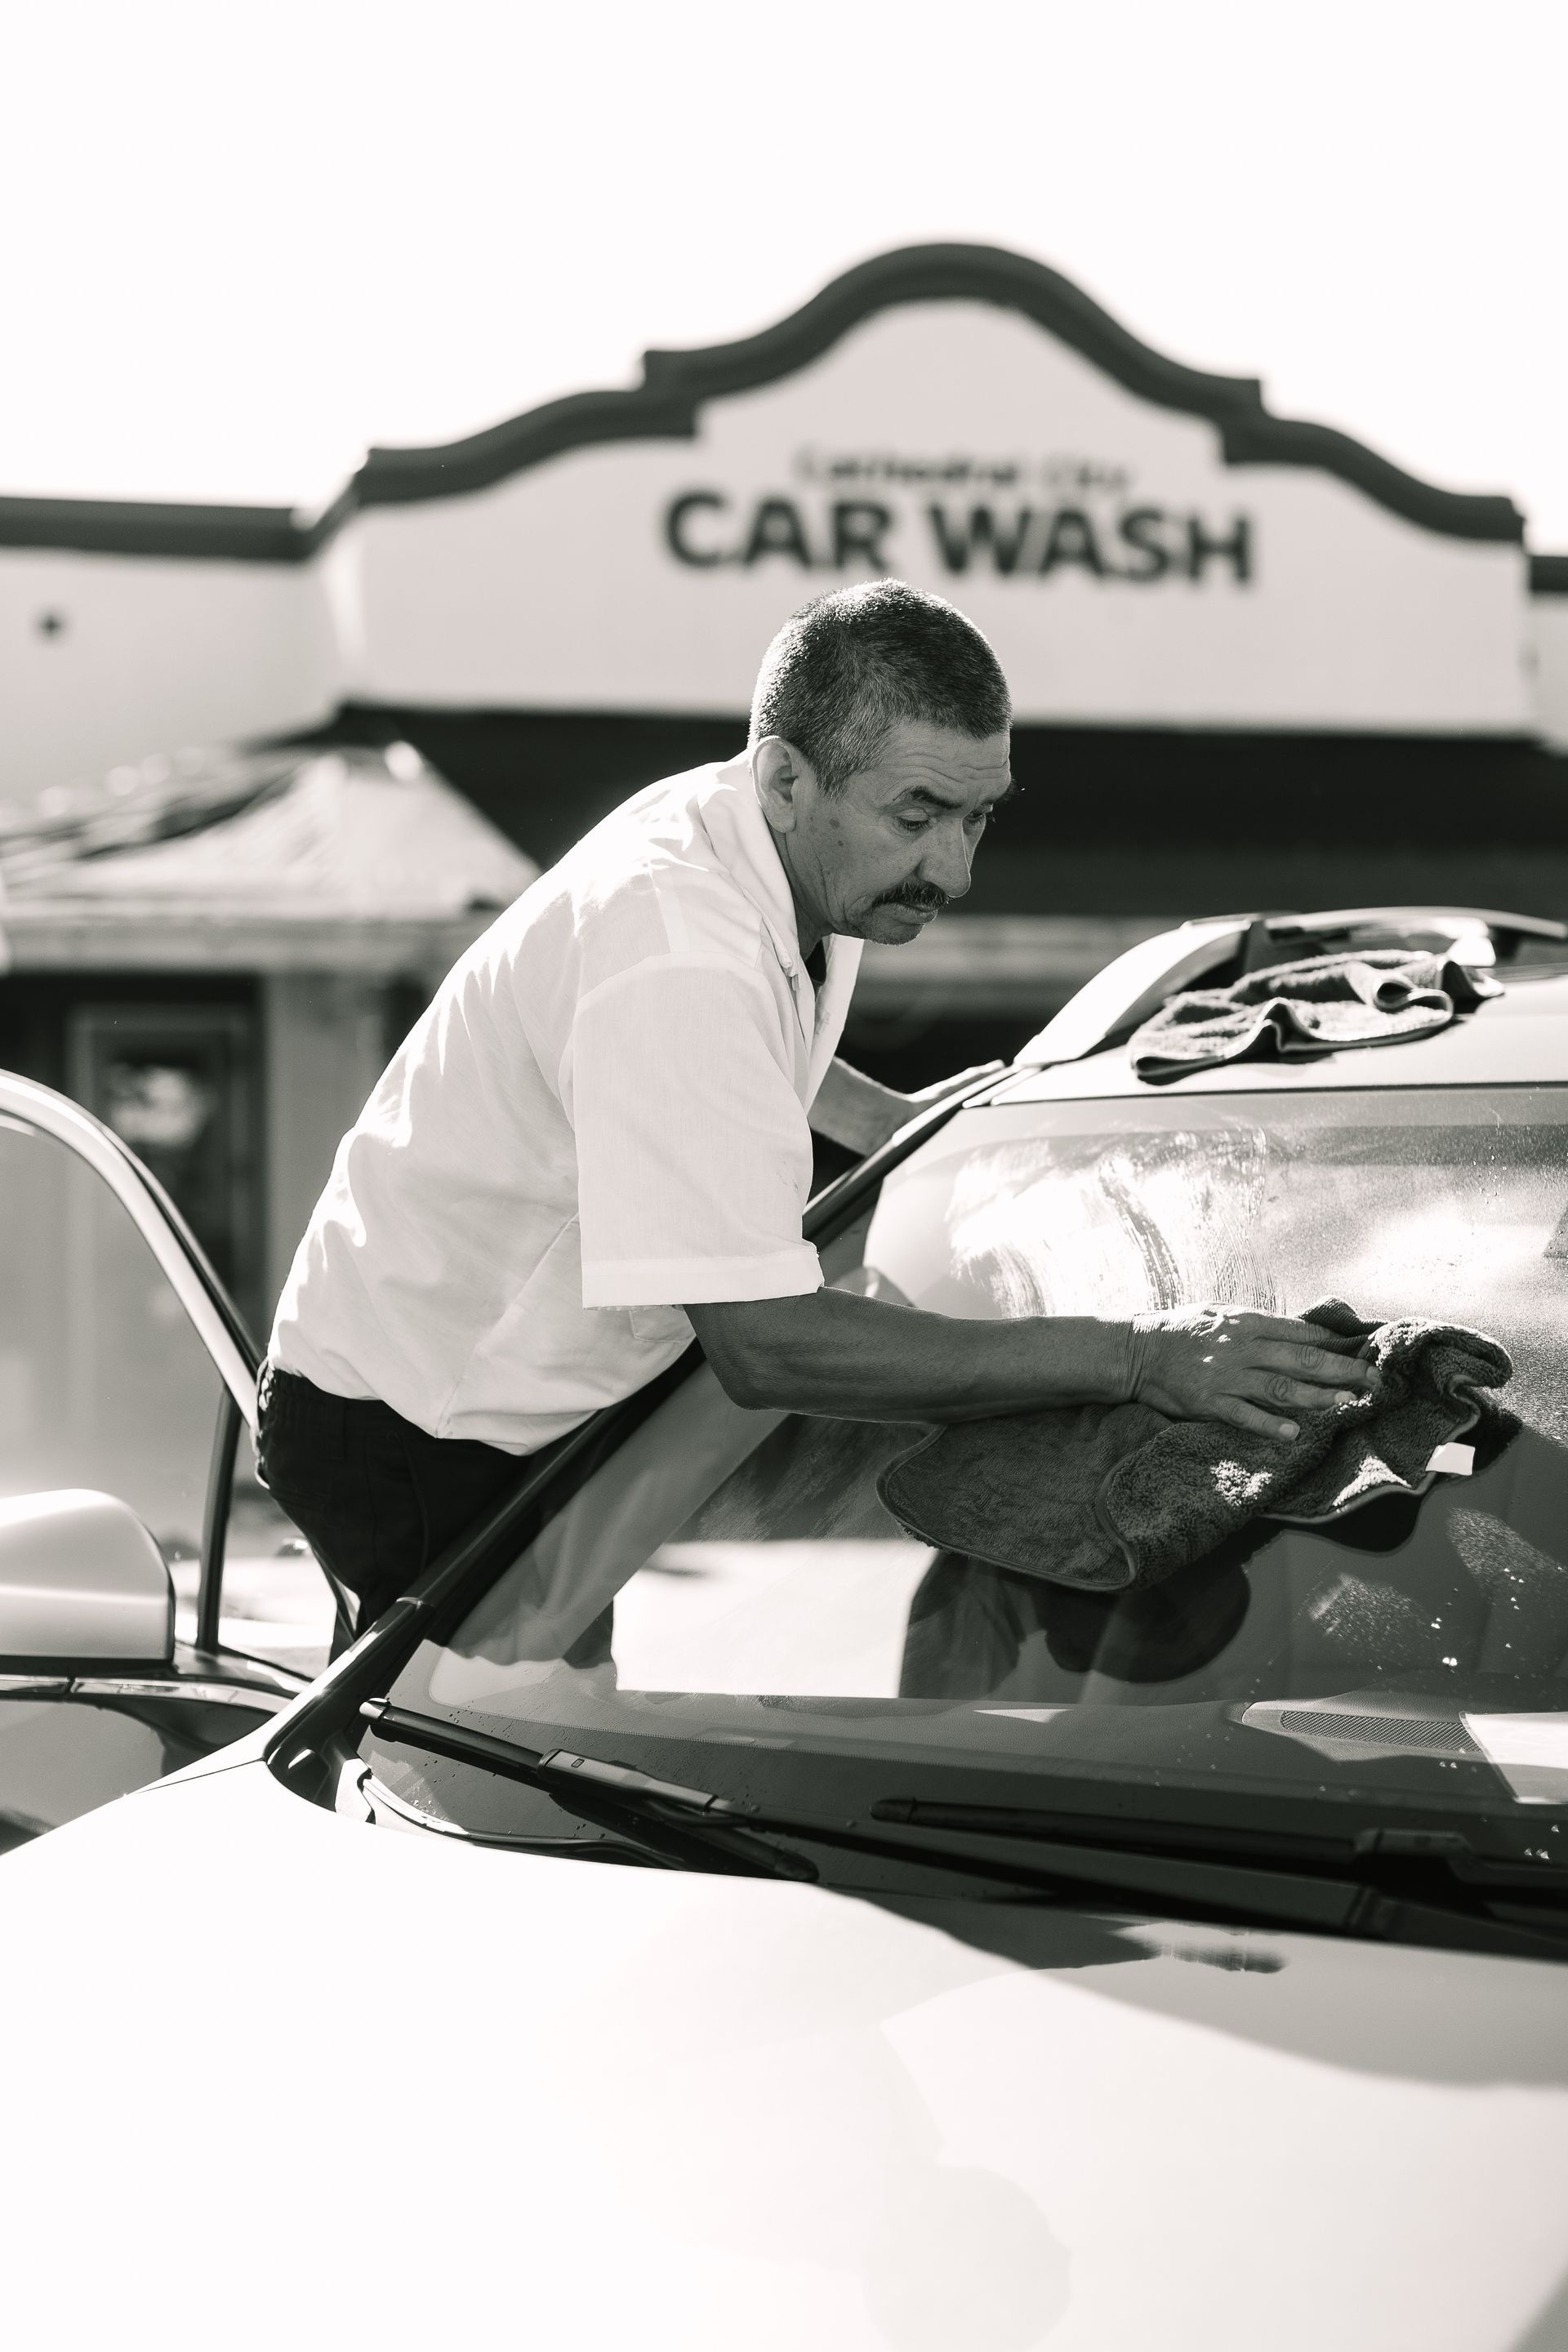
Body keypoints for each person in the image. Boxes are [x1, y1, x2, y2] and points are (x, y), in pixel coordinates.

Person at [258, 581, 1374, 1637]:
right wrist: (1138, 1356)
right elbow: (769, 1347)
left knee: (551, 1714)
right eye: (919, 816)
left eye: (979, 818)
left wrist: (902, 1127)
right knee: (471, 1774)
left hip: (521, 1393)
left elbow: (744, 1057)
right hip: (415, 1422)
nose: (955, 869)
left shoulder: (763, 845)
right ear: (787, 777)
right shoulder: (677, 949)